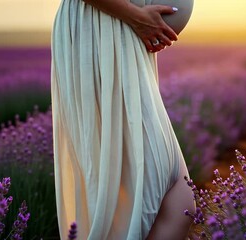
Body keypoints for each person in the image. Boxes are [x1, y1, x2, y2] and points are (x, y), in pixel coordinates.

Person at [50, 0, 196, 239]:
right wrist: (135, 16)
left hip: (126, 32)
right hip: (103, 30)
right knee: (161, 206)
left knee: (175, 204)